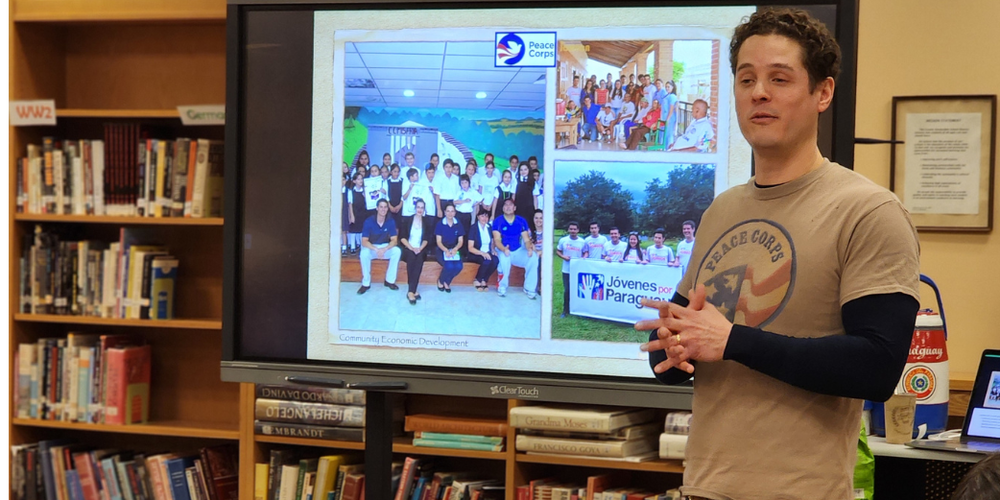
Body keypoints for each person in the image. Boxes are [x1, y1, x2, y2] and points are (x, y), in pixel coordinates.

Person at [637, 8, 920, 499]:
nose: (759, 92)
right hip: (702, 488)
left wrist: (733, 341)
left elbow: (877, 365)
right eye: (746, 79)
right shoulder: (721, 211)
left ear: (823, 93)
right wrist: (671, 345)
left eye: (779, 78)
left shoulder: (868, 210)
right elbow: (688, 349)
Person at [491, 198, 538, 299]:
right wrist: (504, 249)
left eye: (510, 205)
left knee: (533, 257)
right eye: (506, 205)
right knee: (504, 259)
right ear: (503, 208)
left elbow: (526, 239)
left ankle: (529, 288)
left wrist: (529, 248)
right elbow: (497, 240)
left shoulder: (521, 221)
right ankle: (502, 286)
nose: (508, 207)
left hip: (518, 250)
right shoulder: (498, 221)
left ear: (514, 208)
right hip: (503, 250)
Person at [357, 199, 401, 295]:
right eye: (381, 207)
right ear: (377, 208)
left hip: (384, 247)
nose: (383, 209)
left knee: (397, 251)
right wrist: (376, 249)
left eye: (385, 207)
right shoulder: (369, 221)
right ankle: (366, 283)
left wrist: (384, 249)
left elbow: (394, 240)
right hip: (372, 247)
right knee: (363, 253)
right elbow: (364, 241)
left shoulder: (390, 221)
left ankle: (389, 281)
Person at [399, 199, 435, 305]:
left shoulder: (427, 222)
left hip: (421, 248)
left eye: (422, 207)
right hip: (408, 247)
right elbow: (402, 237)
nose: (420, 209)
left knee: (419, 261)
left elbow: (427, 238)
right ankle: (412, 291)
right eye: (418, 207)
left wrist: (419, 248)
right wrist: (411, 248)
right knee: (411, 259)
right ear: (415, 208)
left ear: (424, 209)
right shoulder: (407, 220)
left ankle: (411, 290)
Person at [555, 221, 586, 317]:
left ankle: (578, 310)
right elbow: (558, 251)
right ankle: (565, 310)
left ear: (578, 230)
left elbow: (585, 252)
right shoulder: (563, 240)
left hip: (578, 271)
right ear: (568, 230)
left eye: (575, 229)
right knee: (567, 290)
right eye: (571, 229)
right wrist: (563, 257)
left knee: (578, 290)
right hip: (567, 270)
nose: (573, 231)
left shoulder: (582, 242)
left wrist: (583, 258)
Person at [434, 204, 465, 293]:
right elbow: (438, 242)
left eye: (452, 211)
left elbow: (460, 241)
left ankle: (447, 281)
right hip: (441, 249)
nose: (450, 213)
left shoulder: (458, 224)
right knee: (449, 266)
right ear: (444, 212)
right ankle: (441, 280)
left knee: (459, 266)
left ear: (455, 212)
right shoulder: (440, 224)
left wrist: (455, 249)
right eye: (448, 211)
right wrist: (446, 250)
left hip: (455, 249)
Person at [466, 208, 499, 292]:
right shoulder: (473, 228)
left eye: (486, 216)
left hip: (487, 252)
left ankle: (484, 279)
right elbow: (470, 248)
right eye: (482, 216)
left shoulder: (489, 227)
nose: (485, 218)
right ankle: (477, 279)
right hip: (475, 253)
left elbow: (492, 242)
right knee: (487, 260)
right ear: (478, 217)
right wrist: (482, 253)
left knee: (495, 260)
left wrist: (493, 250)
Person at [346, 172, 368, 254]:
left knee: (362, 230)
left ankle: (363, 247)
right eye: (358, 179)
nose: (360, 180)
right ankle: (352, 246)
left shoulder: (365, 191)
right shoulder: (351, 192)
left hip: (363, 213)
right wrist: (351, 215)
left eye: (361, 179)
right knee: (353, 230)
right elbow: (350, 204)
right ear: (354, 181)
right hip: (355, 212)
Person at [662, 80, 680, 147]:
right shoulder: (667, 95)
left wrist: (668, 119)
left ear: (672, 87)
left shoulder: (672, 96)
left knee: (669, 135)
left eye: (668, 87)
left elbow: (671, 109)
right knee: (665, 135)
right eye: (666, 87)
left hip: (670, 118)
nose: (667, 88)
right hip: (665, 117)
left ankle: (669, 149)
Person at [386, 163, 405, 228]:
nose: (396, 174)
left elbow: (403, 195)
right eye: (394, 171)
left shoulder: (402, 181)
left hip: (399, 206)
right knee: (390, 224)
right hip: (390, 206)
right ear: (391, 172)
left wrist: (400, 205)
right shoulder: (387, 181)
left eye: (398, 172)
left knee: (398, 225)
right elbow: (386, 195)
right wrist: (390, 206)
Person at [530, 209, 544, 294]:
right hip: (534, 252)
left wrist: (541, 252)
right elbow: (530, 244)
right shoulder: (529, 231)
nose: (538, 220)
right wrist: (537, 252)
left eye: (541, 218)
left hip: (544, 253)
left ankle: (541, 286)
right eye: (536, 218)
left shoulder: (547, 231)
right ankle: (533, 286)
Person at [340, 162, 351, 255]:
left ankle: (344, 246)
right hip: (337, 212)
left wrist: (351, 215)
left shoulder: (348, 191)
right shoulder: (334, 190)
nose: (341, 181)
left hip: (344, 212)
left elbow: (350, 204)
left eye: (343, 180)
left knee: (344, 230)